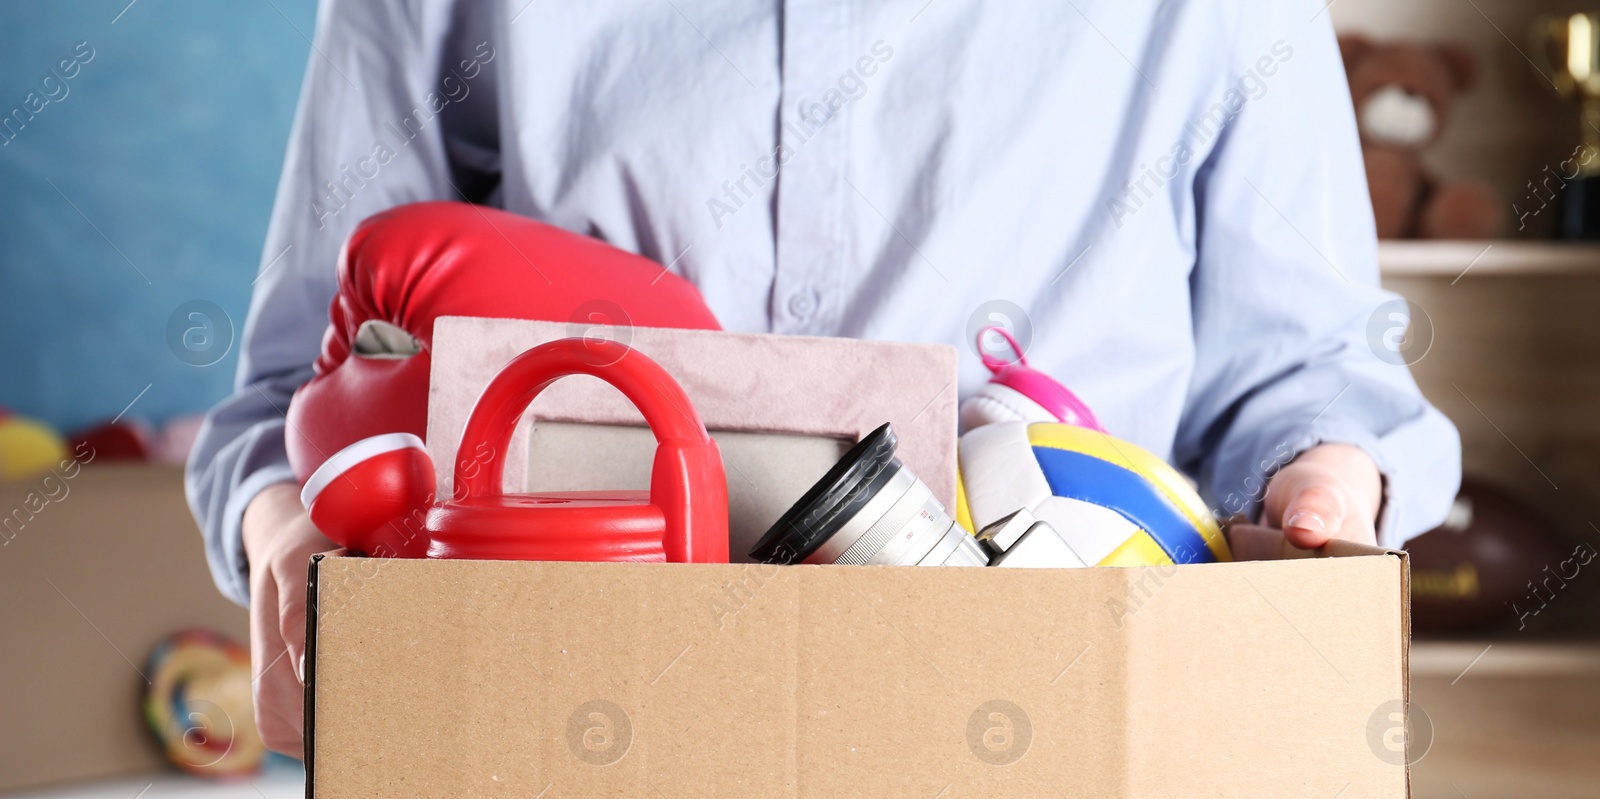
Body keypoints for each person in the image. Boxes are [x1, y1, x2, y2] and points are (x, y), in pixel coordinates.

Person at [188, 0, 1460, 757]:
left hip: (1066, 763)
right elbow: (279, 406)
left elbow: (1306, 373)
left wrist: (1323, 484)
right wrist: (290, 532)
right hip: (565, 760)